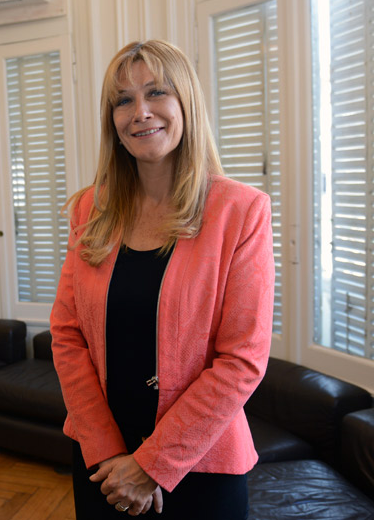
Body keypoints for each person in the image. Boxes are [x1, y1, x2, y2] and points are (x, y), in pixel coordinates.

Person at [50, 40, 274, 519]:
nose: (140, 112)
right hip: (102, 465)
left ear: (185, 102)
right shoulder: (90, 209)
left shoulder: (240, 211)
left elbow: (243, 359)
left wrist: (150, 465)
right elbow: (67, 334)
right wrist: (107, 452)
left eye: (156, 92)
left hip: (201, 466)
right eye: (123, 100)